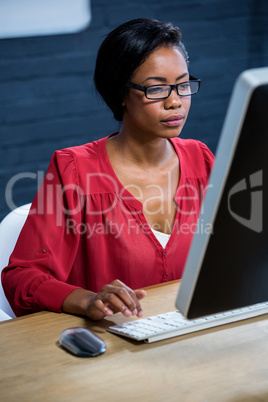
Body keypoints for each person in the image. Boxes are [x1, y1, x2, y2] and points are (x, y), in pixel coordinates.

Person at [2, 18, 214, 321]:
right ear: (121, 94)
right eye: (156, 89)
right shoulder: (73, 169)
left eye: (183, 85)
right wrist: (88, 301)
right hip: (110, 347)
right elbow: (22, 277)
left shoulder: (202, 159)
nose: (175, 101)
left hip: (191, 337)